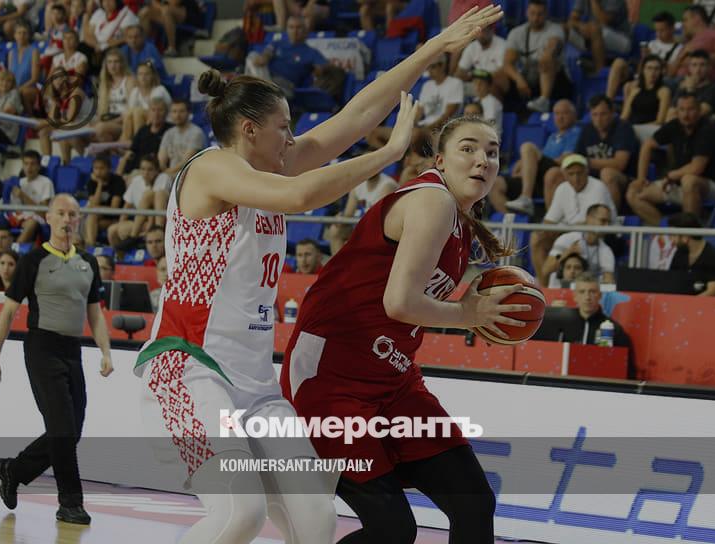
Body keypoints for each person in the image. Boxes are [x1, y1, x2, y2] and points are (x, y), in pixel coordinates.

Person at [132, 7, 504, 544]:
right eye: (284, 128)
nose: (292, 139)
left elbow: (356, 115)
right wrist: (389, 153)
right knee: (240, 514)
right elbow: (301, 195)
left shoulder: (270, 168)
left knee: (316, 521)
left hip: (255, 383)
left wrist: (435, 47)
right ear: (249, 129)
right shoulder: (211, 168)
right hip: (189, 367)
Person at [280, 114, 519, 544]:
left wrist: (474, 311)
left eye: (492, 152)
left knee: (473, 502)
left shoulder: (459, 222)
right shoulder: (433, 201)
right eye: (468, 148)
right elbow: (400, 302)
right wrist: (468, 315)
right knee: (392, 529)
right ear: (440, 160)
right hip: (331, 378)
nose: (482, 159)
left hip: (392, 380)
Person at [0, 194, 114, 526]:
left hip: (73, 351)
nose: (67, 219)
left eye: (73, 214)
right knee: (62, 429)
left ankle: (15, 470)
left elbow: (95, 314)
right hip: (41, 348)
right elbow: (8, 312)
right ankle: (70, 503)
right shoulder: (33, 260)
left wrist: (105, 352)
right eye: (61, 213)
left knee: (71, 431)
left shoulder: (88, 262)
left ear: (79, 219)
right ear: (48, 217)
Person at [628, 92, 715, 226]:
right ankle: (667, 230)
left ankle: (689, 232)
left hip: (710, 187)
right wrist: (641, 179)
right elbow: (647, 145)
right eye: (682, 110)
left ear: (699, 111)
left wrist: (671, 176)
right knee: (633, 194)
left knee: (689, 180)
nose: (685, 115)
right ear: (677, 111)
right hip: (678, 184)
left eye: (690, 109)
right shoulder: (674, 125)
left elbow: (697, 167)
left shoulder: (707, 130)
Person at [531, 153, 616, 276]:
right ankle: (543, 284)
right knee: (536, 238)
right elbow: (549, 222)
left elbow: (593, 223)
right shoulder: (562, 188)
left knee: (570, 241)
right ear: (564, 175)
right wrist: (544, 232)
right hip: (569, 234)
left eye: (579, 173)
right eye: (571, 174)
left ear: (587, 171)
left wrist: (563, 229)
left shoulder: (598, 187)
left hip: (595, 237)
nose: (576, 178)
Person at [499, 99, 581, 215]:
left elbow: (567, 158)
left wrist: (532, 165)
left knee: (527, 147)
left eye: (565, 113)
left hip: (557, 169)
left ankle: (526, 197)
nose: (560, 117)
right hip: (540, 175)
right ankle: (511, 221)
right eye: (557, 113)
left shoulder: (576, 133)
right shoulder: (553, 136)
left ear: (574, 116)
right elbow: (543, 155)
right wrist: (525, 165)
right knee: (496, 183)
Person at [504, 0, 567, 114]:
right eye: (532, 13)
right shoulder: (516, 32)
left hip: (556, 80)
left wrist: (548, 53)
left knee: (547, 60)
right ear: (526, 12)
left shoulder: (555, 29)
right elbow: (508, 63)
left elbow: (554, 44)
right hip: (528, 77)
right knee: (500, 75)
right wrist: (519, 80)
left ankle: (544, 100)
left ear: (546, 14)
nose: (536, 18)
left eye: (540, 14)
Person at [540, 203, 615, 286]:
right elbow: (546, 270)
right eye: (603, 221)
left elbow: (609, 282)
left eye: (608, 222)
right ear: (589, 218)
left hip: (585, 292)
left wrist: (607, 282)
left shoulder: (606, 251)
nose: (606, 226)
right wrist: (567, 253)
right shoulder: (567, 239)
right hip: (558, 291)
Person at [325, 171, 399, 254]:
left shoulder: (387, 185)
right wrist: (340, 218)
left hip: (382, 229)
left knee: (369, 231)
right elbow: (349, 214)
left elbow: (378, 217)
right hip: (364, 226)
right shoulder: (358, 184)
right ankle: (340, 262)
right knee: (336, 230)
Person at [667, 212, 715, 296]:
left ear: (685, 237)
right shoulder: (680, 253)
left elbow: (713, 292)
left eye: (673, 235)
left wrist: (687, 302)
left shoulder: (714, 256)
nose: (670, 239)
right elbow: (672, 281)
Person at [621, 56, 671, 142]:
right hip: (633, 127)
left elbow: (660, 121)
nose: (653, 72)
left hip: (652, 129)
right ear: (643, 70)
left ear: (661, 72)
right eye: (649, 68)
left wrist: (636, 128)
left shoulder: (664, 91)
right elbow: (624, 116)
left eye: (656, 69)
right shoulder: (635, 91)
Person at [84, 155, 127, 246]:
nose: (98, 171)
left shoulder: (117, 181)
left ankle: (90, 245)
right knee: (90, 218)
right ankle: (91, 244)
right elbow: (94, 204)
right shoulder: (91, 182)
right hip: (100, 218)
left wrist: (96, 208)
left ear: (109, 168)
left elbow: (114, 208)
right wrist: (99, 185)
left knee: (91, 216)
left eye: (102, 168)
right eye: (96, 168)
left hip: (116, 217)